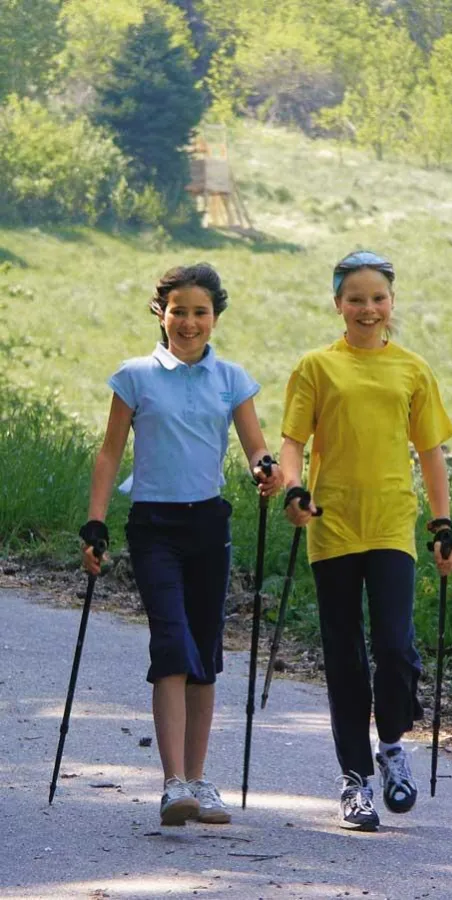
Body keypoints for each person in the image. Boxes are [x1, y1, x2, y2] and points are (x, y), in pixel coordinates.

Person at [80, 263, 282, 827]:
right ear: (160, 313)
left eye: (200, 312)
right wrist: (95, 524)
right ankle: (173, 786)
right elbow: (109, 454)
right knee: (172, 643)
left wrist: (266, 470)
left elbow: (255, 447)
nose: (189, 322)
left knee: (205, 653)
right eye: (178, 311)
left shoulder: (231, 379)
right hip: (154, 527)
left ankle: (197, 781)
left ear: (215, 316)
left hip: (208, 526)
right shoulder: (135, 377)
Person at [280, 250, 452, 831]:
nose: (367, 308)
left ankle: (392, 748)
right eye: (355, 299)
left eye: (377, 298)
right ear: (338, 304)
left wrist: (442, 524)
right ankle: (355, 781)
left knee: (395, 647)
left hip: (390, 525)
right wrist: (293, 490)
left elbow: (431, 452)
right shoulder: (316, 367)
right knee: (344, 656)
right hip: (332, 524)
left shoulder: (412, 370)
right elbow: (293, 442)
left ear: (391, 302)